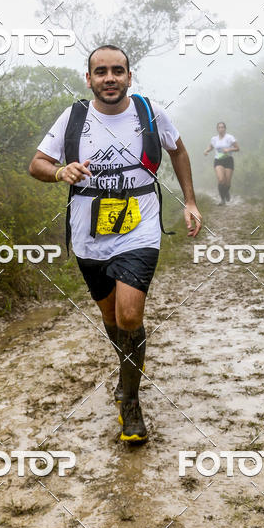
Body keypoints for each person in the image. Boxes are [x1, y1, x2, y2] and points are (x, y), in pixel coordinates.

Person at [29, 45, 202, 444]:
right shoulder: (73, 118)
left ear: (129, 76)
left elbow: (178, 150)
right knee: (110, 317)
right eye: (101, 71)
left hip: (139, 229)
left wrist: (190, 201)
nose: (110, 78)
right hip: (89, 234)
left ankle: (130, 402)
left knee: (128, 316)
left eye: (118, 71)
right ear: (88, 79)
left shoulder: (149, 113)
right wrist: (59, 171)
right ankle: (127, 372)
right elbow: (37, 163)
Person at [204, 122, 239, 204]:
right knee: (221, 180)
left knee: (227, 182)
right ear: (217, 129)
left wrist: (229, 149)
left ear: (225, 129)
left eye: (222, 127)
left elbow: (237, 148)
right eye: (219, 127)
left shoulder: (230, 138)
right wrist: (207, 150)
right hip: (218, 160)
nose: (221, 129)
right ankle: (222, 199)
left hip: (228, 160)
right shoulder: (214, 139)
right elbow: (211, 146)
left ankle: (226, 192)